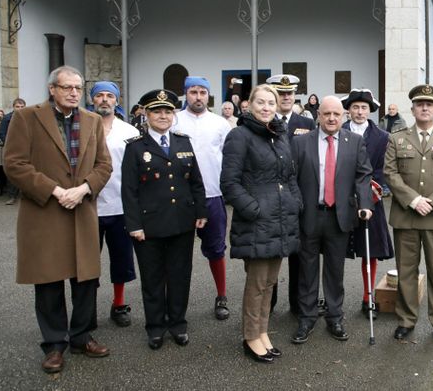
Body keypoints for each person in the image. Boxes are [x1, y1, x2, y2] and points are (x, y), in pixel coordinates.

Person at [4, 65, 113, 374]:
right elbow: (14, 164)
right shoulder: (27, 118)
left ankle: (81, 336)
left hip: (81, 209)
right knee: (49, 281)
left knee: (86, 280)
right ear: (52, 89)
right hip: (44, 212)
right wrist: (53, 190)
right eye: (67, 87)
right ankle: (54, 345)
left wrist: (84, 188)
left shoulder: (92, 121)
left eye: (78, 88)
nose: (73, 93)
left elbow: (104, 165)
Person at [221, 84, 301, 363]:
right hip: (257, 221)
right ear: (249, 105)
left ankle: (262, 331)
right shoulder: (239, 136)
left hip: (280, 219)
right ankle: (250, 336)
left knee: (269, 282)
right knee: (256, 283)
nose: (266, 108)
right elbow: (229, 183)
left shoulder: (279, 135)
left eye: (271, 103)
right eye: (261, 103)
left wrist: (295, 202)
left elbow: (289, 176)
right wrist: (253, 209)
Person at [122, 89, 207, 350]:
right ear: (146, 115)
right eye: (157, 111)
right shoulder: (136, 147)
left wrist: (201, 212)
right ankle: (156, 327)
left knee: (180, 276)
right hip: (149, 227)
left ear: (174, 115)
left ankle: (178, 324)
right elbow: (129, 190)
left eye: (168, 111)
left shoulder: (183, 142)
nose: (163, 115)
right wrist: (134, 224)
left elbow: (196, 181)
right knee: (153, 278)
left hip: (182, 222)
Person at [384, 84, 433, 344]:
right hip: (406, 215)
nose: (425, 108)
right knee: (405, 271)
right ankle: (406, 320)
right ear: (413, 109)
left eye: (429, 104)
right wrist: (414, 200)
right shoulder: (397, 138)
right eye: (420, 104)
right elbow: (390, 173)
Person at [289, 96, 373, 344]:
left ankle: (335, 316)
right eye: (327, 114)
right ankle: (306, 316)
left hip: (340, 216)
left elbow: (363, 175)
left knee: (335, 270)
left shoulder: (354, 142)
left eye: (337, 114)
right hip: (309, 215)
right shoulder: (300, 142)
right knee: (307, 269)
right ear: (319, 115)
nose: (332, 118)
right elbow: (291, 176)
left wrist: (365, 204)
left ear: (344, 115)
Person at [171, 76, 233, 320]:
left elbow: (229, 159)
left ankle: (221, 295)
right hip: (180, 198)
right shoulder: (174, 120)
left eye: (202, 92)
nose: (198, 96)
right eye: (193, 92)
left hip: (212, 196)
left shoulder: (220, 123)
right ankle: (176, 302)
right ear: (186, 94)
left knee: (216, 249)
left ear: (209, 96)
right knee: (177, 252)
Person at [89, 82, 140, 327]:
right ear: (92, 100)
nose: (105, 100)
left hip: (120, 206)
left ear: (117, 101)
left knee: (121, 258)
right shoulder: (82, 127)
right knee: (87, 259)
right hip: (88, 206)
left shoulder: (129, 131)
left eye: (110, 96)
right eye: (100, 95)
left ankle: (118, 303)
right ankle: (86, 306)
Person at [341, 88, 394, 318]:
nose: (359, 111)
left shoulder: (382, 137)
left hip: (370, 198)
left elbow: (384, 170)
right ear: (349, 110)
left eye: (363, 107)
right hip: (341, 198)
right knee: (335, 250)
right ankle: (334, 301)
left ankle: (368, 296)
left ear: (369, 110)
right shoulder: (339, 130)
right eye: (355, 107)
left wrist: (373, 191)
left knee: (369, 251)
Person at [266, 74, 316, 316]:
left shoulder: (306, 123)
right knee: (271, 254)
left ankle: (298, 304)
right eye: (281, 93)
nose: (286, 97)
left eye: (289, 93)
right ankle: (269, 304)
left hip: (298, 199)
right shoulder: (261, 121)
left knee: (299, 255)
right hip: (270, 199)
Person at [0, 98, 27, 205]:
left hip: (27, 148)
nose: (20, 109)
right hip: (13, 149)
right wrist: (11, 145)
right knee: (13, 171)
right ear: (13, 107)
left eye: (22, 107)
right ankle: (12, 196)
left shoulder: (29, 117)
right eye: (17, 107)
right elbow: (2, 134)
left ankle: (28, 195)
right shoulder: (7, 118)